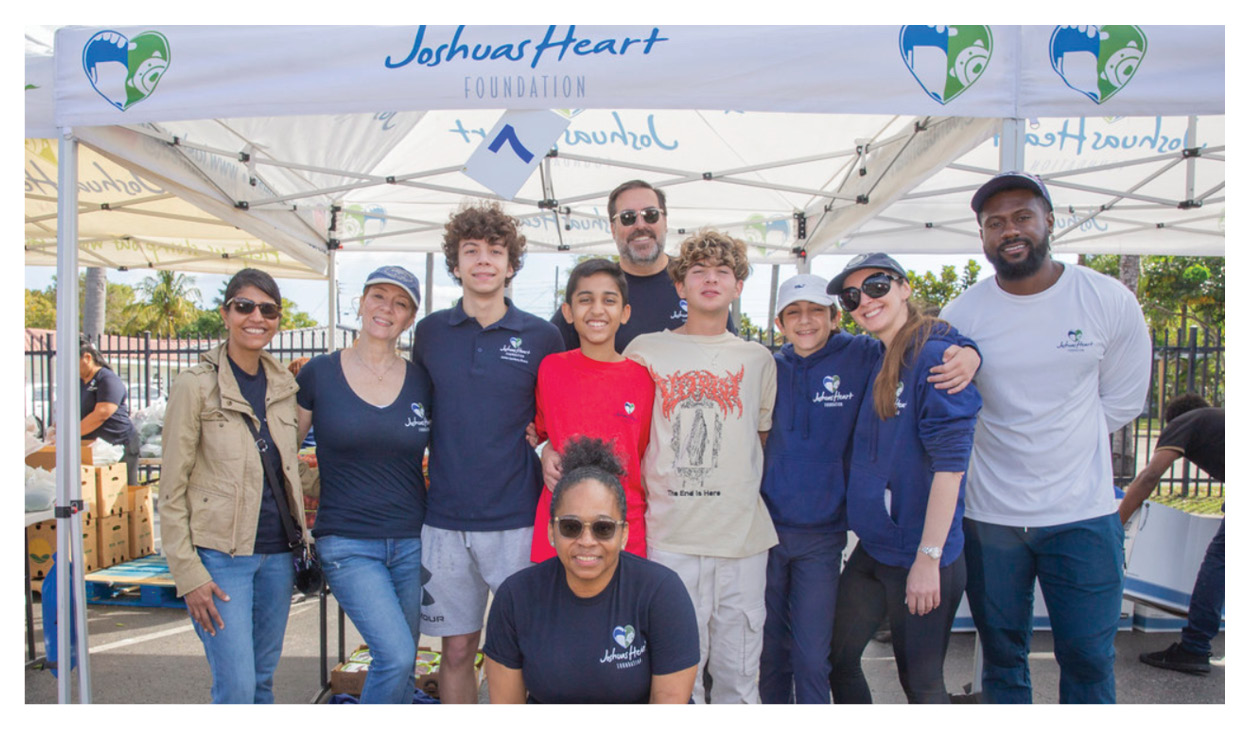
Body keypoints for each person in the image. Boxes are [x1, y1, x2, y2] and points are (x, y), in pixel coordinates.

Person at [941, 171, 1151, 703]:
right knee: (1002, 660)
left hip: (1082, 516)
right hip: (991, 519)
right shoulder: (963, 313)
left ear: (1049, 222)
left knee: (1087, 657)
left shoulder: (1106, 299)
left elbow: (1122, 401)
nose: (1009, 231)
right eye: (995, 223)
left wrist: (1060, 440)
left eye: (1021, 217)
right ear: (983, 236)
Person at [759, 273, 981, 704]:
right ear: (779, 323)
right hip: (773, 533)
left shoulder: (862, 355)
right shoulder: (768, 365)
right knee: (790, 654)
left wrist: (970, 353)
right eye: (794, 314)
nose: (805, 322)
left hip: (836, 536)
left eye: (816, 311)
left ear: (835, 317)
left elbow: (922, 335)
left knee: (832, 661)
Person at [411, 202, 564, 704]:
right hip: (446, 520)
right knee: (456, 651)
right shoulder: (430, 332)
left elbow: (555, 418)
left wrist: (543, 447)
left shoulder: (543, 336)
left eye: (494, 251)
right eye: (471, 251)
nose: (483, 261)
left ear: (511, 264)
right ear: (455, 264)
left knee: (524, 647)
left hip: (518, 519)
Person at [622, 229, 776, 704]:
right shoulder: (644, 351)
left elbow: (758, 437)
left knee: (739, 678)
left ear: (738, 286)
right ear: (679, 285)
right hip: (671, 541)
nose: (710, 280)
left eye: (722, 272)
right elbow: (631, 435)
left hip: (742, 543)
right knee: (677, 683)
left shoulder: (758, 359)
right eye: (698, 271)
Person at [825, 254, 982, 703]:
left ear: (904, 287)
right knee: (837, 657)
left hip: (924, 556)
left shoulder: (937, 359)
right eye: (852, 296)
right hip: (876, 550)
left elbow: (951, 469)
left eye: (876, 286)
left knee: (922, 683)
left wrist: (928, 560)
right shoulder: (879, 355)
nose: (865, 301)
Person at [159, 268, 310, 703]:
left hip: (279, 556)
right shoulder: (195, 385)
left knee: (262, 680)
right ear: (226, 313)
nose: (255, 317)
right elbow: (170, 489)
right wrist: (188, 573)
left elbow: (285, 469)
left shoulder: (285, 386)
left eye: (268, 309)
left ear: (278, 319)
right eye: (244, 306)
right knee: (237, 686)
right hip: (222, 560)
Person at [295, 265, 430, 703]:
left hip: (411, 541)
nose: (386, 308)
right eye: (378, 296)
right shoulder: (318, 373)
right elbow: (279, 452)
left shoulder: (422, 380)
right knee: (394, 653)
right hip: (348, 541)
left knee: (403, 661)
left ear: (410, 318)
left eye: (400, 303)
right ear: (360, 302)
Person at [484, 437, 700, 704]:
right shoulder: (515, 598)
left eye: (603, 528)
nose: (586, 541)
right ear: (552, 531)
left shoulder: (662, 593)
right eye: (571, 527)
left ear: (623, 534)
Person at [531, 258, 654, 561]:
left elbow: (643, 454)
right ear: (568, 312)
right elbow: (539, 435)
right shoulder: (551, 369)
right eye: (585, 300)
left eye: (608, 300)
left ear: (624, 313)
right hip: (560, 526)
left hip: (624, 528)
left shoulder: (644, 379)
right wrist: (546, 451)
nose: (597, 310)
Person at [550, 180, 734, 351]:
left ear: (665, 222)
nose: (640, 225)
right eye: (628, 217)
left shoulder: (696, 280)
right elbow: (550, 354)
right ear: (613, 229)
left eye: (651, 215)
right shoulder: (596, 287)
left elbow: (728, 352)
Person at [1119, 394, 1224, 675]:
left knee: (1220, 561)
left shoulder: (1186, 421)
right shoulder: (1217, 422)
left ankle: (1194, 648)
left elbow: (1150, 476)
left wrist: (1115, 525)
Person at [73, 336, 140, 485]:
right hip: (94, 449)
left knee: (122, 495)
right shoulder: (78, 382)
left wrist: (70, 435)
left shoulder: (107, 379)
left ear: (87, 357)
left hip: (119, 446)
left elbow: (102, 413)